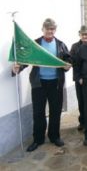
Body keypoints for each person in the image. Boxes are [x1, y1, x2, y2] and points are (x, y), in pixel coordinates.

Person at [12, 18, 71, 152]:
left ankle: (54, 136)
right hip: (39, 83)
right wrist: (18, 68)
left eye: (52, 29)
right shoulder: (36, 44)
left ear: (55, 30)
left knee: (55, 111)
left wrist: (68, 66)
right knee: (38, 113)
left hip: (56, 83)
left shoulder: (60, 44)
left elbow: (68, 59)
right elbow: (26, 59)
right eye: (47, 28)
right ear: (42, 29)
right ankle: (38, 139)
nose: (50, 31)